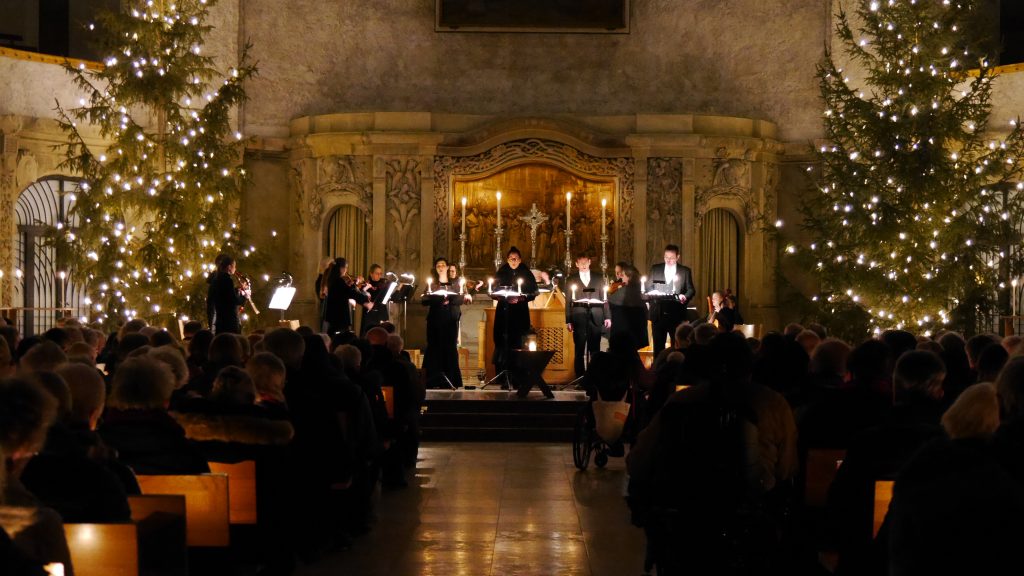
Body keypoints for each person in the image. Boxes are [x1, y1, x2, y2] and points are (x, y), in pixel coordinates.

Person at [422, 258, 470, 388]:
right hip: (435, 320)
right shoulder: (432, 284)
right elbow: (424, 299)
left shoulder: (455, 283)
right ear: (436, 268)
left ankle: (450, 380)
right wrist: (438, 299)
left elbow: (460, 298)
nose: (441, 267)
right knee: (434, 348)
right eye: (438, 265)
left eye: (443, 265)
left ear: (448, 267)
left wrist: (449, 300)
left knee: (449, 348)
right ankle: (432, 379)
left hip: (450, 321)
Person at [492, 247, 538, 374]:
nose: (513, 261)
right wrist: (504, 298)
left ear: (520, 260)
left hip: (519, 312)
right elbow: (493, 290)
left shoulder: (526, 273)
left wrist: (521, 298)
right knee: (503, 340)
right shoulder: (501, 272)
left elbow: (534, 291)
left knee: (519, 341)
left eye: (516, 258)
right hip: (504, 311)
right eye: (511, 258)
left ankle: (519, 374)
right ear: (507, 260)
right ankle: (503, 374)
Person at [565, 253, 610, 380]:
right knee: (579, 349)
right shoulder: (571, 279)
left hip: (596, 315)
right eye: (581, 263)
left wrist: (607, 317)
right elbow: (568, 300)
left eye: (586, 262)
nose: (584, 265)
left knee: (594, 349)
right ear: (576, 264)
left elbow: (604, 298)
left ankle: (593, 376)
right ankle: (579, 377)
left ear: (590, 262)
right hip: (579, 316)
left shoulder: (598, 277)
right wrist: (568, 320)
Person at [645, 244, 695, 355]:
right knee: (658, 347)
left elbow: (691, 290)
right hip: (658, 313)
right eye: (666, 257)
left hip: (676, 314)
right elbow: (648, 286)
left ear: (678, 257)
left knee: (676, 346)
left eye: (672, 258)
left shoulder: (685, 271)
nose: (668, 260)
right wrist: (653, 292)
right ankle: (657, 369)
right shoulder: (655, 269)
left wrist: (685, 296)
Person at [323, 257, 372, 336]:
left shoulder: (332, 279)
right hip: (339, 317)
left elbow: (347, 292)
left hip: (333, 317)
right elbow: (352, 293)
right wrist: (365, 301)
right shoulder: (339, 281)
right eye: (345, 268)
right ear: (341, 268)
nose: (346, 270)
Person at [607, 263, 648, 351]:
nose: (621, 277)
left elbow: (610, 304)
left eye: (623, 275)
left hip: (621, 334)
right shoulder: (640, 292)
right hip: (636, 335)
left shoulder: (621, 292)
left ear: (629, 277)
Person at [206, 254, 249, 335]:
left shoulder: (216, 279)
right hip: (229, 323)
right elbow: (233, 300)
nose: (235, 269)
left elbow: (225, 295)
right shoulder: (227, 279)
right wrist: (244, 296)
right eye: (234, 266)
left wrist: (237, 290)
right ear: (229, 267)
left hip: (220, 322)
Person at [361, 264, 392, 336]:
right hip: (370, 315)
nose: (379, 276)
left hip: (382, 312)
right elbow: (364, 298)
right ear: (371, 274)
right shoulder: (366, 285)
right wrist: (365, 289)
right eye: (377, 273)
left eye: (380, 274)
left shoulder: (383, 284)